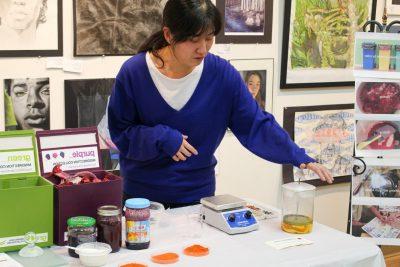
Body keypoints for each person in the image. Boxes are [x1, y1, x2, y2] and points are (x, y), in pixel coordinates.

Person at [108, 0, 333, 208]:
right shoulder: (134, 72)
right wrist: (161, 137)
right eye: (193, 40)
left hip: (198, 198)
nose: (203, 49)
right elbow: (121, 133)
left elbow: (256, 124)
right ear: (168, 34)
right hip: (141, 201)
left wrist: (299, 157)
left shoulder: (222, 74)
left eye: (209, 38)